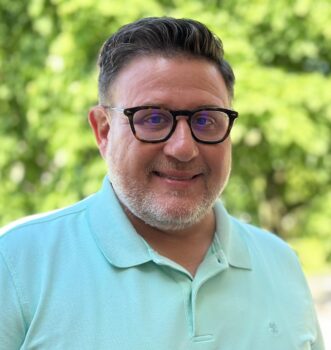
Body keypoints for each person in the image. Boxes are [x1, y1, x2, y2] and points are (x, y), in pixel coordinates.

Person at [0, 17, 324, 350]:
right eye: (153, 118)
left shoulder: (280, 264)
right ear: (103, 131)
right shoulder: (17, 266)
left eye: (205, 120)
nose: (183, 148)